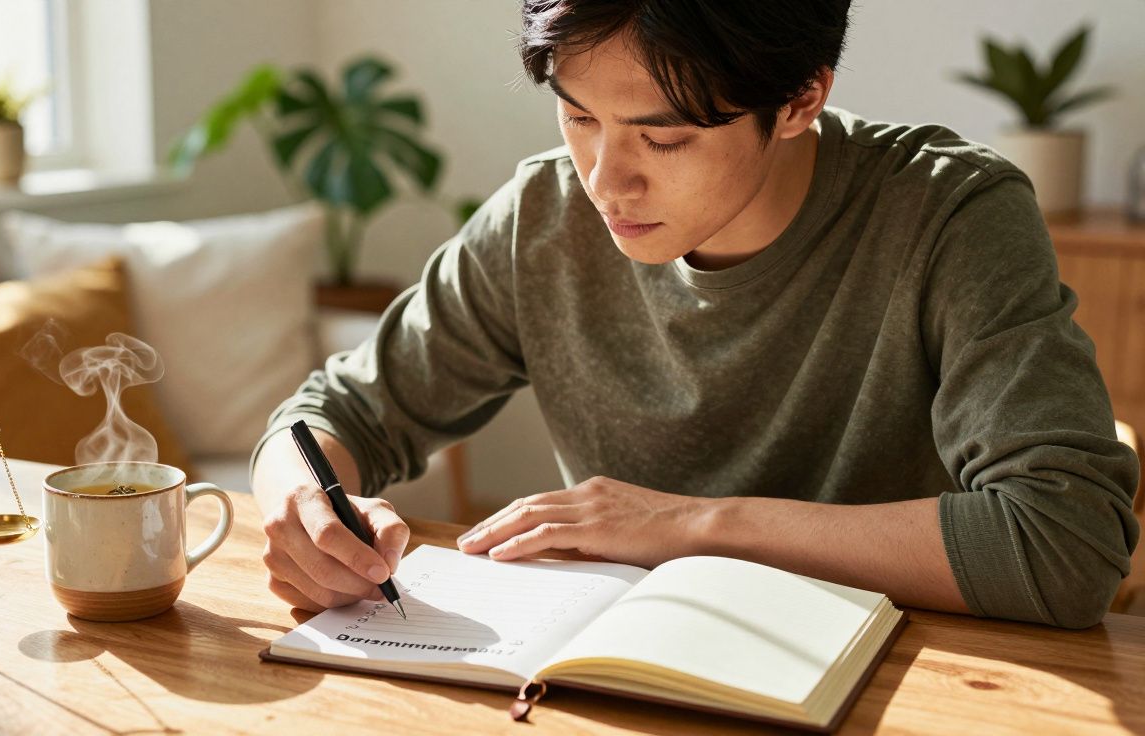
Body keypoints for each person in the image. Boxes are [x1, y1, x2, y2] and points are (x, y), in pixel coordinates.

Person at [251, 0, 1139, 629]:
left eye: (664, 137)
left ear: (800, 98)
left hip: (897, 678)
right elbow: (335, 415)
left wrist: (688, 525)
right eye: (577, 116)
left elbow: (1063, 542)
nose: (605, 180)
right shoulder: (545, 217)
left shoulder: (951, 215)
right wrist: (300, 502)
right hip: (617, 672)